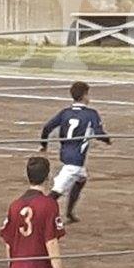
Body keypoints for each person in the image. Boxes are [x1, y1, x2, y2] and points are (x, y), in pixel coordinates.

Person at [38, 81, 111, 224]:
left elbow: (47, 128)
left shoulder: (65, 113)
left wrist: (44, 145)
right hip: (75, 160)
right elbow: (99, 133)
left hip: (66, 155)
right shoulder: (91, 114)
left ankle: (70, 212)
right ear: (84, 96)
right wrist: (107, 140)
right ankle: (37, 213)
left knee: (81, 179)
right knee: (57, 191)